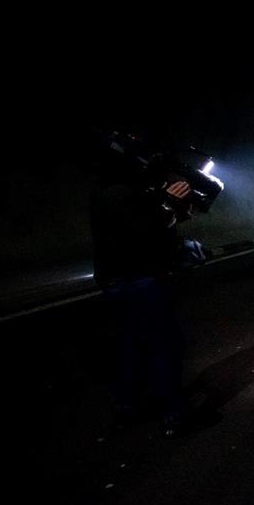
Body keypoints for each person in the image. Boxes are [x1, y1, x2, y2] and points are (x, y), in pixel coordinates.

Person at [91, 145, 197, 437]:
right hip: (140, 279)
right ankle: (174, 415)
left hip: (113, 283)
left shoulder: (103, 193)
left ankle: (126, 409)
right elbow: (145, 237)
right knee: (166, 345)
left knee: (131, 346)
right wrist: (168, 207)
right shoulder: (129, 196)